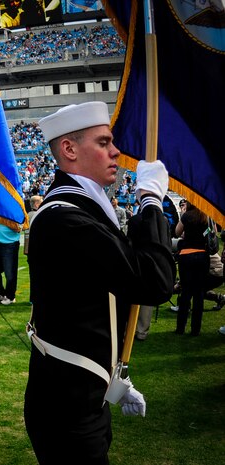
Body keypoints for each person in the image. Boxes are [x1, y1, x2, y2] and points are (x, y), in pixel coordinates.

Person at [24, 102, 175, 464]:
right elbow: (154, 281)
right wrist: (151, 201)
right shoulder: (65, 219)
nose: (116, 152)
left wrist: (113, 380)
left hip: (84, 392)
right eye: (104, 142)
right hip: (67, 406)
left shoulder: (84, 209)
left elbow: (91, 314)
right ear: (70, 150)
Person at [174, 201, 210, 336]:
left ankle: (180, 328)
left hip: (187, 256)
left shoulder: (186, 216)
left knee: (186, 293)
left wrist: (182, 215)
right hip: (202, 256)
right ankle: (195, 330)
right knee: (199, 295)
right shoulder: (206, 216)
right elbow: (212, 234)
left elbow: (177, 232)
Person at [0, 220, 21, 305]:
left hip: (10, 244)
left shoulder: (13, 211)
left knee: (10, 272)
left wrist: (2, 221)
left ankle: (10, 296)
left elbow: (18, 228)